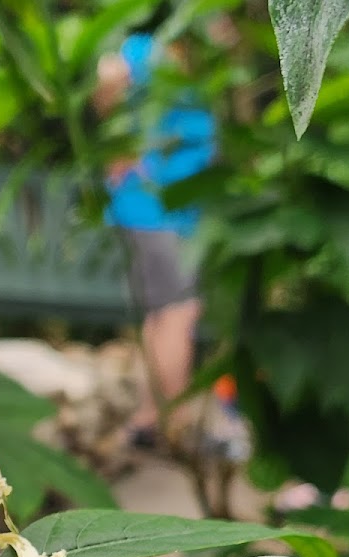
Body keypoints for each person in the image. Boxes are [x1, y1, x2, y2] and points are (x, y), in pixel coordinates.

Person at [95, 8, 219, 445]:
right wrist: (122, 147)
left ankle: (150, 417)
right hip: (158, 205)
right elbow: (106, 80)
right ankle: (174, 423)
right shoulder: (154, 53)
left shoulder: (155, 52)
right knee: (180, 312)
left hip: (154, 205)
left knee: (161, 313)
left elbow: (106, 86)